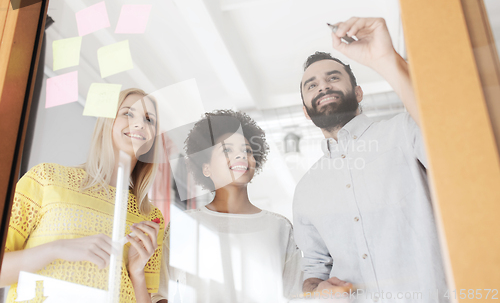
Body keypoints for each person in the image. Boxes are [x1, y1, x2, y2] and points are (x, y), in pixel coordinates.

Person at [293, 17, 448, 302]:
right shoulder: (305, 190)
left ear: (359, 92)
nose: (323, 87)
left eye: (333, 77)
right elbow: (314, 269)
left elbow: (448, 140)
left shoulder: (403, 131)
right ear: (306, 111)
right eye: (311, 85)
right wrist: (315, 290)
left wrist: (384, 58)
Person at [0, 88, 165, 303]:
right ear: (107, 122)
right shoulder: (47, 178)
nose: (140, 124)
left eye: (149, 120)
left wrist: (137, 274)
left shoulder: (151, 218)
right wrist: (56, 248)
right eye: (127, 113)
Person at [152, 110, 302, 303]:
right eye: (227, 150)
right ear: (206, 167)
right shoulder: (185, 225)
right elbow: (160, 294)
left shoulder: (280, 228)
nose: (241, 155)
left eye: (247, 150)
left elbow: (295, 295)